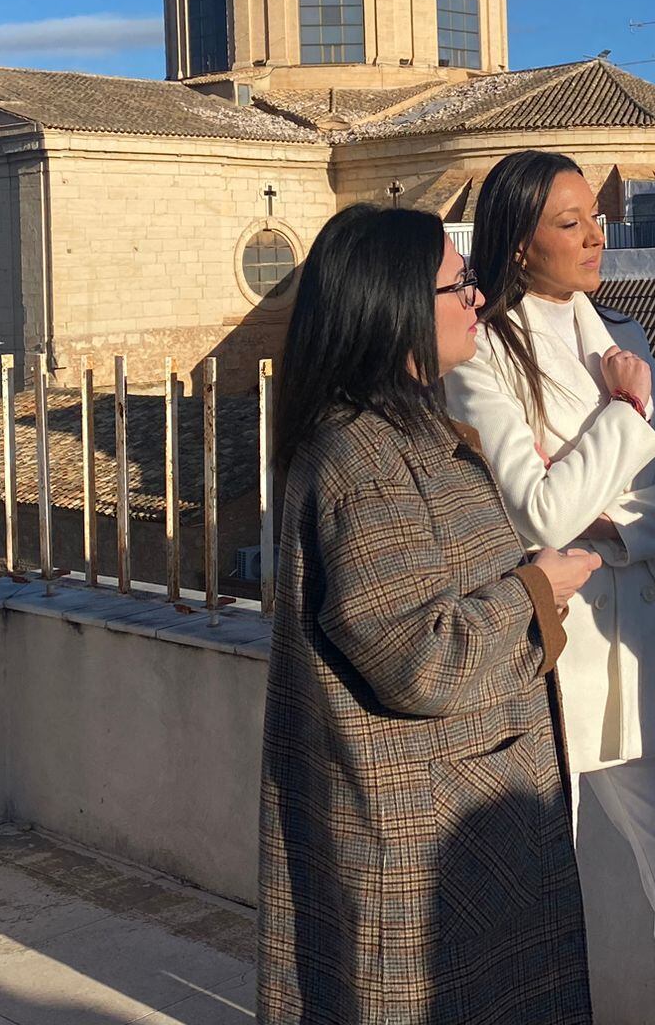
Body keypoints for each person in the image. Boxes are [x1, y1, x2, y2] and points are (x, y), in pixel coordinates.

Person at [258, 202, 602, 1025]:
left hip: (457, 813)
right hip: (421, 831)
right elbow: (420, 655)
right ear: (395, 306)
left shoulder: (404, 433)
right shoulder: (363, 458)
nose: (478, 299)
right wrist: (538, 590)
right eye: (461, 284)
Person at [445, 151, 655, 1025]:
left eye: (595, 217)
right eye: (568, 223)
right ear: (520, 243)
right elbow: (536, 513)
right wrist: (625, 416)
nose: (594, 236)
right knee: (536, 903)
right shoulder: (482, 354)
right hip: (550, 666)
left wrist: (609, 527)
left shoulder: (627, 338)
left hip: (637, 663)